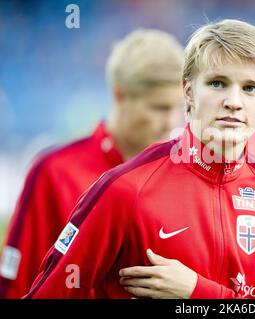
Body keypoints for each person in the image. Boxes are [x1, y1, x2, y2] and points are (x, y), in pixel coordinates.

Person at [24, 19, 255, 299]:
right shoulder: (126, 189)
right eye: (217, 83)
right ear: (188, 91)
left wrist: (197, 292)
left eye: (251, 88)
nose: (234, 101)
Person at [0, 29, 184, 298]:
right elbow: (17, 286)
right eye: (159, 108)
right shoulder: (55, 172)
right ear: (120, 95)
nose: (172, 122)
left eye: (179, 108)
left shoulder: (184, 175)